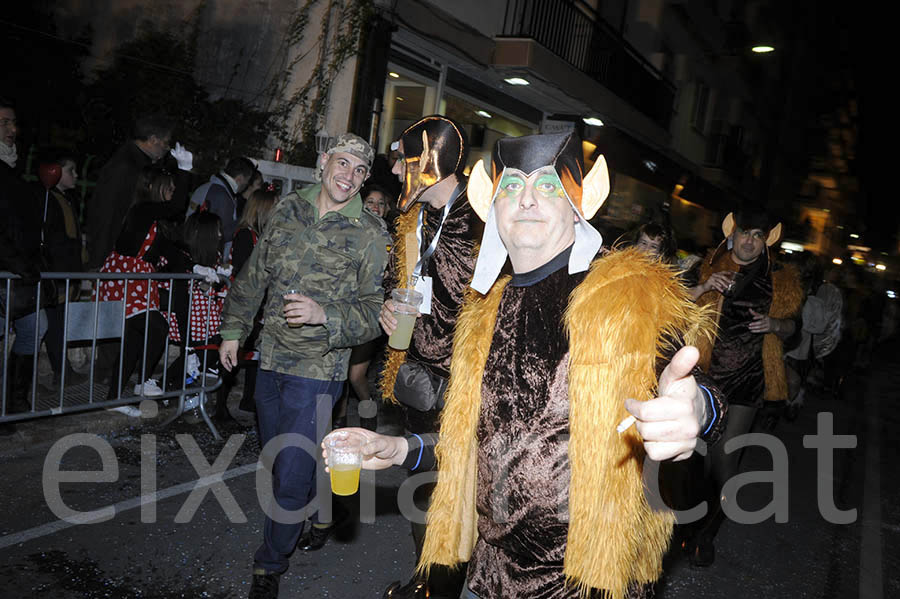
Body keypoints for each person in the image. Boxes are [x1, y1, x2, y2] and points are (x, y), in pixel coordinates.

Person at [328, 132, 726, 599]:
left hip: (580, 581)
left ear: (581, 201)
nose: (529, 199)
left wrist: (696, 410)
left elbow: (695, 389)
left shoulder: (629, 295)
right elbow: (479, 440)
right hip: (488, 574)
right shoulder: (484, 310)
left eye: (550, 186)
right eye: (512, 186)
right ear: (489, 203)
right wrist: (398, 450)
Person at [217, 133, 390, 599]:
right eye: (343, 163)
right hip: (269, 359)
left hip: (319, 369)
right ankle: (319, 508)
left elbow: (378, 311)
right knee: (280, 458)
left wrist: (325, 315)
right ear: (323, 162)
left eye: (359, 170)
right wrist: (234, 329)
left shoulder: (371, 235)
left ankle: (269, 566)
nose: (349, 176)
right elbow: (255, 275)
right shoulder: (287, 210)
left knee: (291, 470)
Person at [376, 115, 482, 599]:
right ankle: (430, 583)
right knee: (423, 490)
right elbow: (401, 279)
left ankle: (443, 586)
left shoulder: (484, 219)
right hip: (419, 375)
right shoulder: (416, 217)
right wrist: (387, 304)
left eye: (404, 160)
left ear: (429, 162)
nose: (397, 172)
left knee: (460, 499)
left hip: (469, 383)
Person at [685, 210, 803, 566]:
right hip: (703, 375)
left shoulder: (779, 279)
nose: (750, 240)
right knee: (693, 459)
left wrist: (774, 323)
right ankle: (686, 522)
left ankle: (705, 534)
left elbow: (793, 329)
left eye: (757, 234)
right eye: (744, 233)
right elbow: (672, 306)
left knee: (723, 460)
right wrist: (706, 286)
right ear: (731, 233)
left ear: (766, 239)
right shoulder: (706, 266)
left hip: (748, 379)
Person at [97, 167, 191, 415]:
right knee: (157, 326)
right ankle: (143, 382)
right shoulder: (143, 210)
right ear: (158, 187)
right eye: (170, 188)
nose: (174, 193)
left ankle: (113, 398)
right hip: (124, 280)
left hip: (138, 282)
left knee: (135, 339)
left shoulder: (156, 220)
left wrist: (198, 266)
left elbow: (171, 253)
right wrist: (183, 172)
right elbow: (176, 207)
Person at [86, 113, 185, 269]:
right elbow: (107, 212)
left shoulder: (135, 162)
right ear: (153, 140)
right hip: (116, 255)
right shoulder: (126, 166)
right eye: (165, 143)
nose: (167, 148)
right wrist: (99, 261)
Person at [0, 97, 48, 415]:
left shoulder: (13, 172)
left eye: (13, 123)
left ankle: (14, 401)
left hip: (18, 275)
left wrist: (31, 261)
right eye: (4, 122)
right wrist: (14, 261)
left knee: (36, 326)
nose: (12, 129)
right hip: (7, 270)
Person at [218, 187, 279, 415]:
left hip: (257, 305)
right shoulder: (245, 235)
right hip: (244, 304)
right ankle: (221, 406)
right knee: (235, 353)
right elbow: (247, 272)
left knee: (254, 355)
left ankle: (248, 400)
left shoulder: (260, 235)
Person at [41, 151, 89, 388]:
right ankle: (61, 372)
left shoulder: (66, 199)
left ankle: (63, 371)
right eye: (71, 170)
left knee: (58, 323)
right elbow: (56, 240)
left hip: (64, 272)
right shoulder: (50, 199)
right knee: (54, 324)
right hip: (57, 273)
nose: (76, 175)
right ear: (56, 172)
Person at [186, 156, 256, 257]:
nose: (247, 185)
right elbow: (224, 234)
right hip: (204, 256)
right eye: (248, 181)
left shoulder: (207, 187)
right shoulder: (222, 196)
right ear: (240, 179)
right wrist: (245, 219)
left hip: (194, 250)